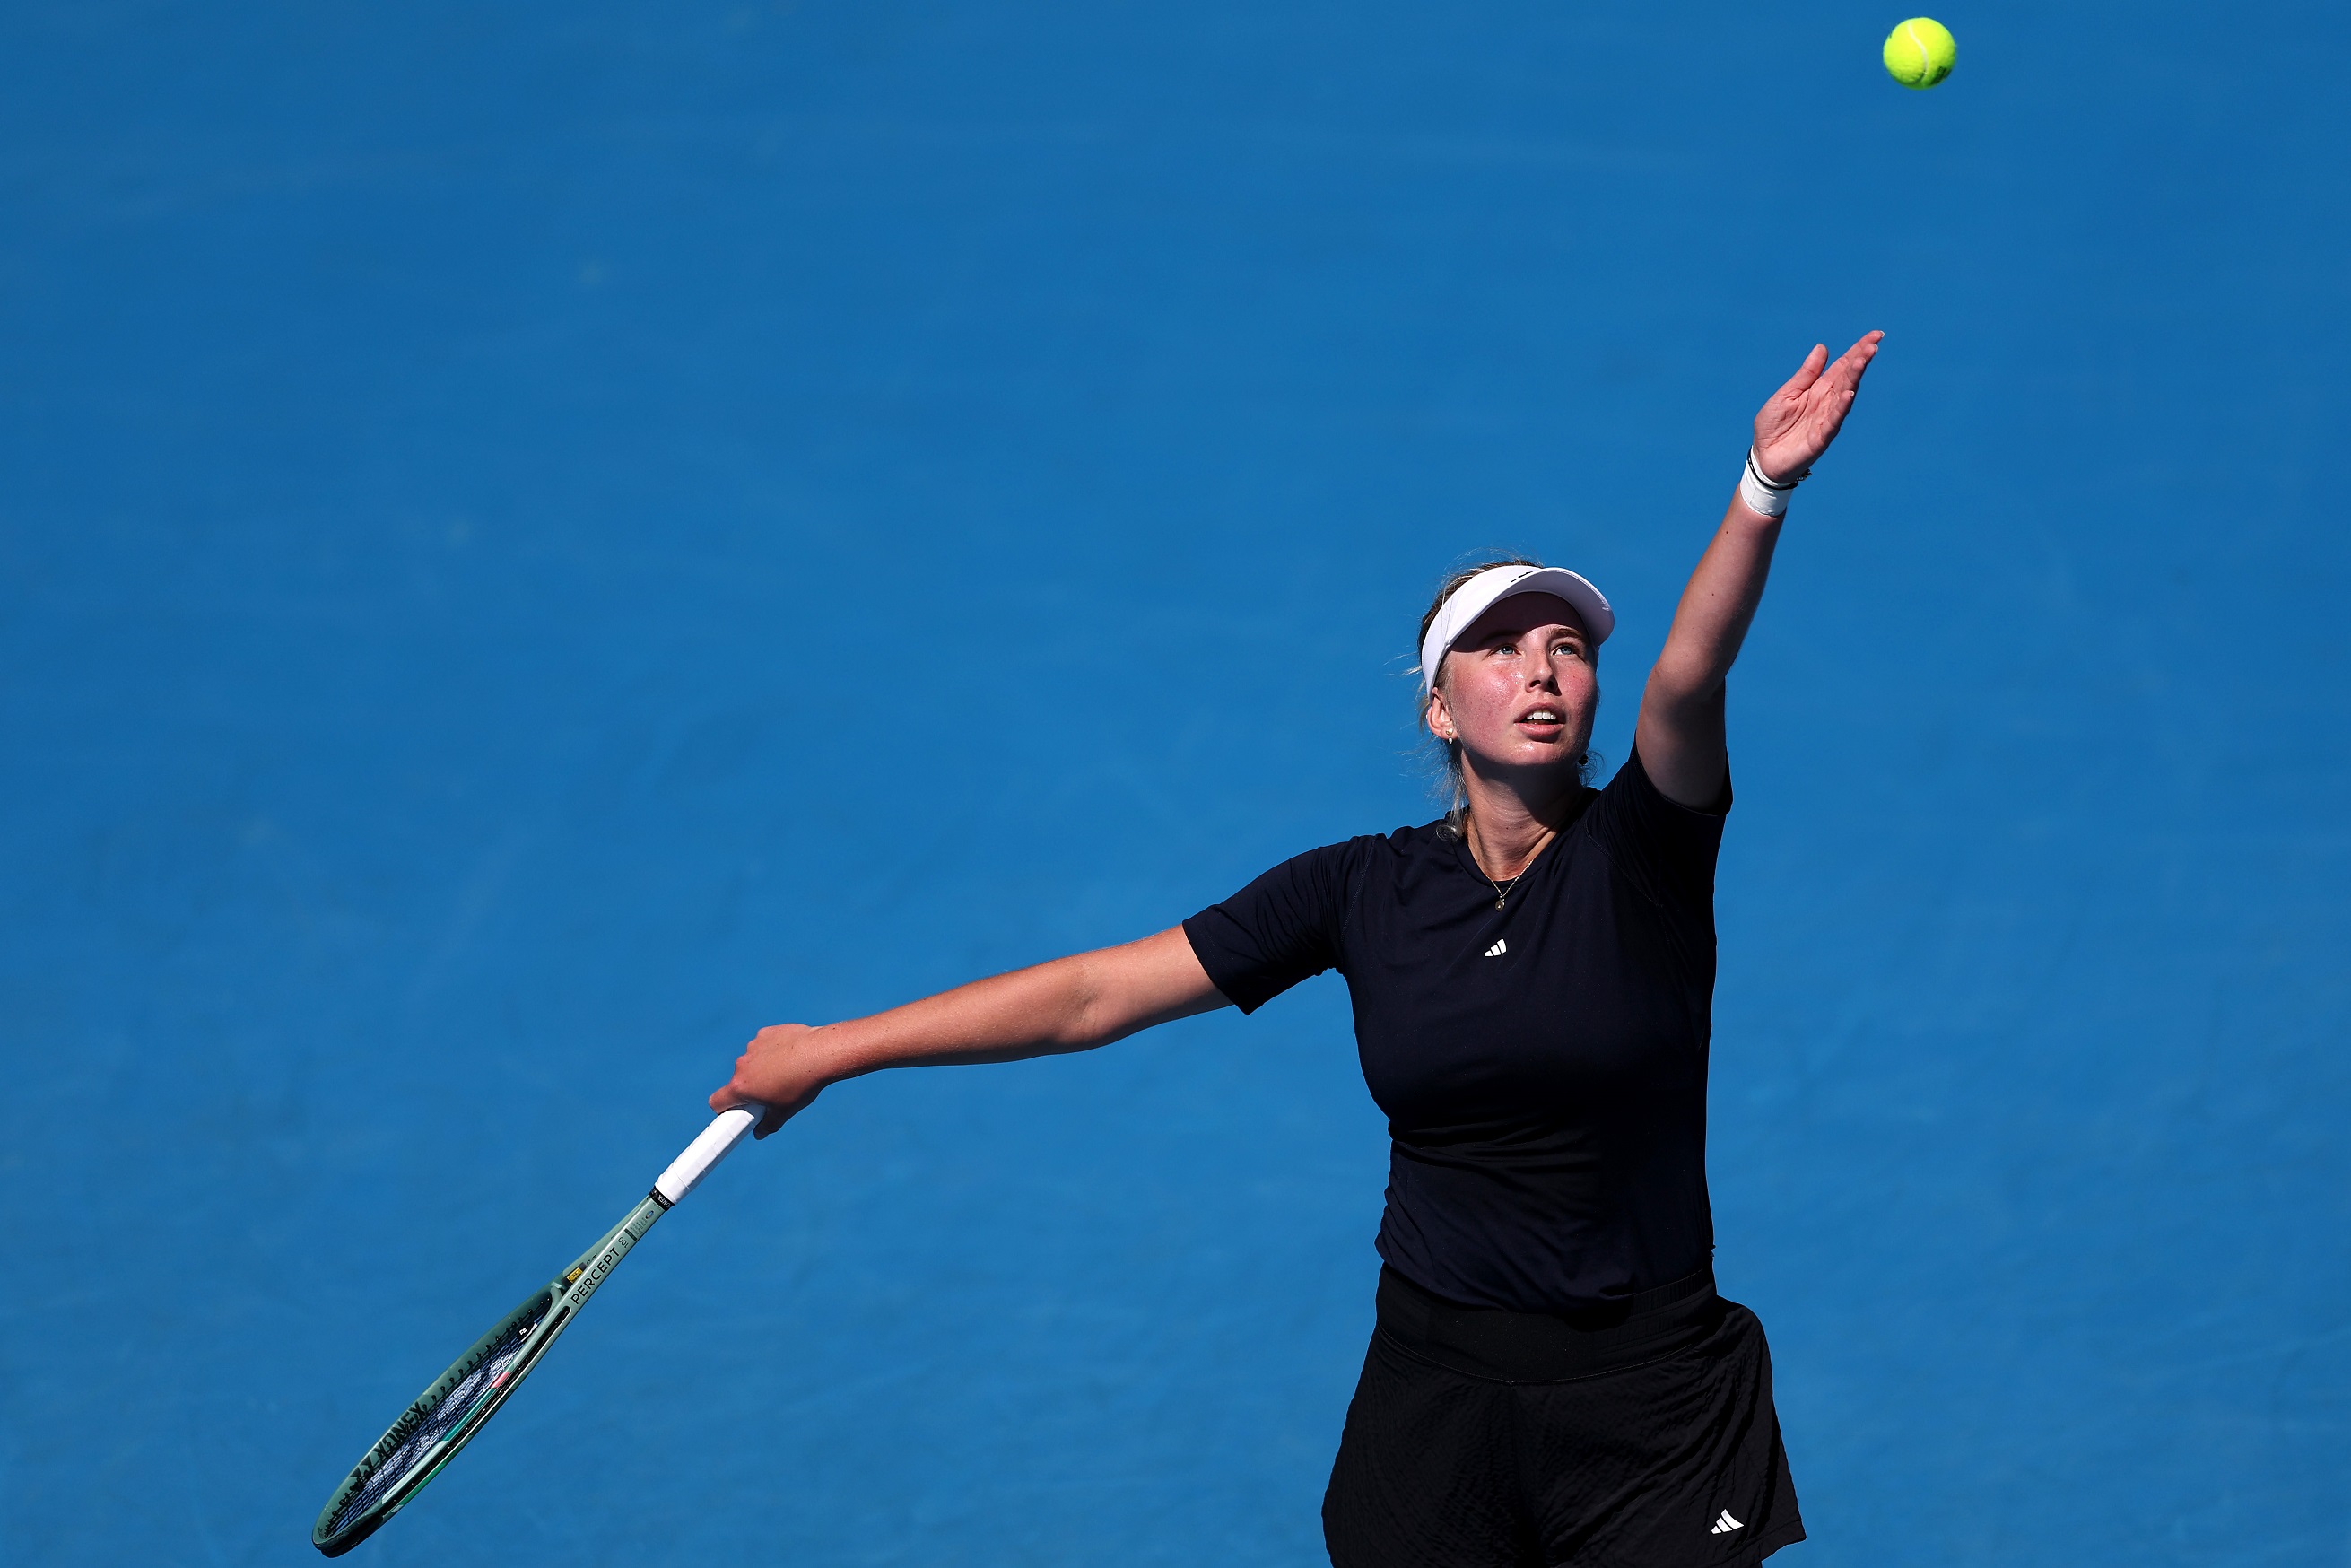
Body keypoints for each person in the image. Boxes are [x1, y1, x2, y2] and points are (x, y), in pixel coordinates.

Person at [711, 331, 1884, 1568]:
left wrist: (1761, 487)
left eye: (1568, 650)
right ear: (1441, 708)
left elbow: (1688, 679)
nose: (1542, 670)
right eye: (1499, 649)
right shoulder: (1358, 890)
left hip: (1648, 1400)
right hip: (1435, 1398)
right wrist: (830, 1050)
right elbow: (1093, 995)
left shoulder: (1643, 853)